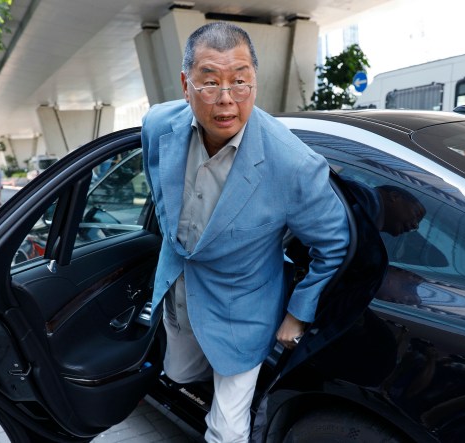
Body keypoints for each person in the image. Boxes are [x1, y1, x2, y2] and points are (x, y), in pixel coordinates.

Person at [141, 22, 350, 442]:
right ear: (186, 84)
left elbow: (335, 243)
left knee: (226, 426)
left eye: (240, 82)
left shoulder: (292, 163)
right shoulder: (157, 125)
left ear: (256, 81)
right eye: (210, 82)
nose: (226, 100)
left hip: (244, 306)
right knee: (179, 372)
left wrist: (297, 313)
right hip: (180, 289)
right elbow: (159, 191)